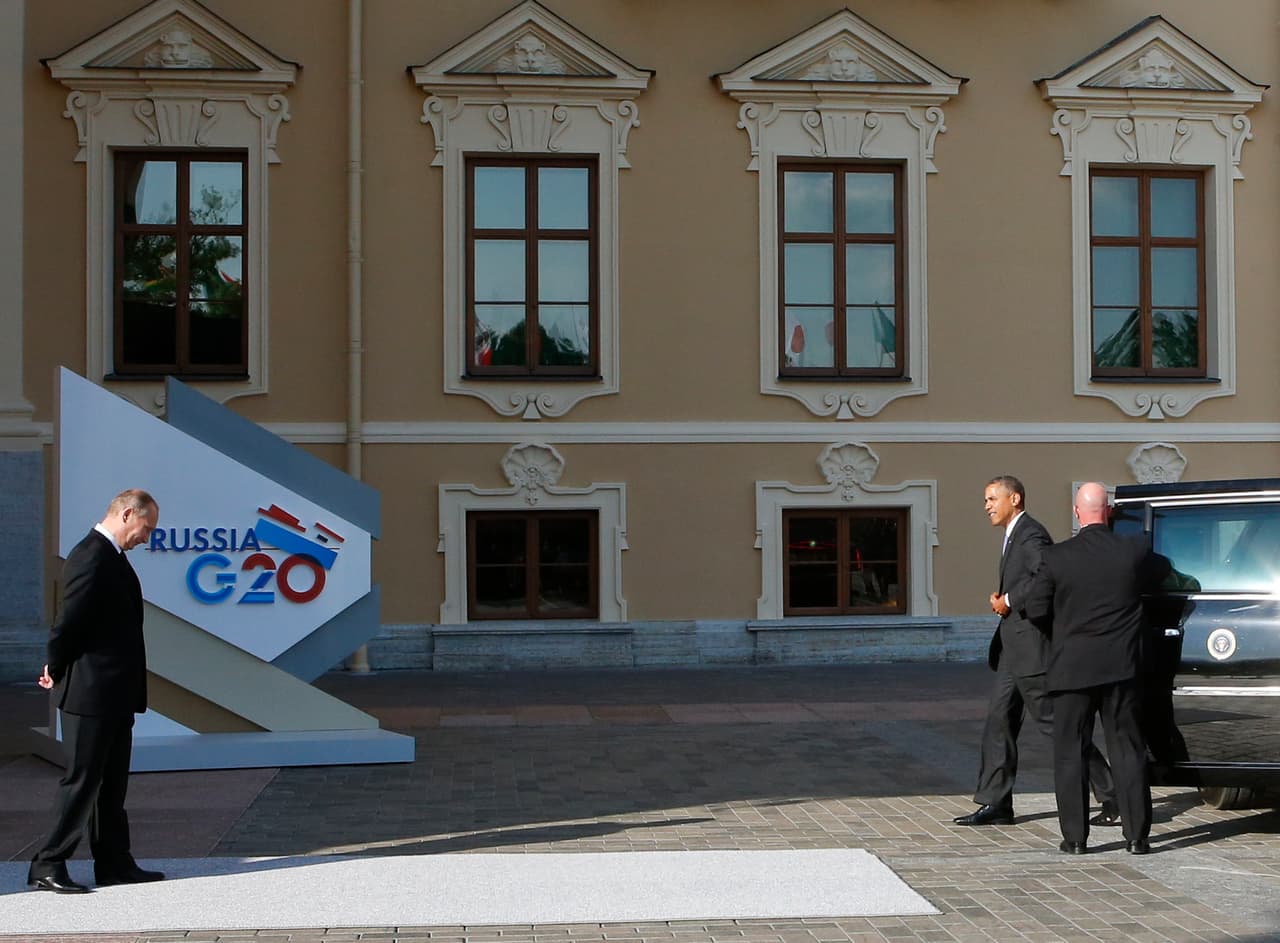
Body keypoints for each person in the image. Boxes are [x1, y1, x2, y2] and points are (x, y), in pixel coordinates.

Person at [954, 476, 1116, 827]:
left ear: (1014, 498)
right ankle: (996, 802)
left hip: (1031, 647)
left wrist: (1008, 600)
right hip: (1013, 649)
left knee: (1056, 726)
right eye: (985, 500)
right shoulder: (1014, 533)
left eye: (992, 498)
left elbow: (1046, 572)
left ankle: (1112, 794)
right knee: (999, 720)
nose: (987, 506)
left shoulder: (1031, 533)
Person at [27, 489, 165, 893]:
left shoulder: (113, 557)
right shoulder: (91, 554)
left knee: (111, 784)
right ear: (126, 515)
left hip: (113, 693)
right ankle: (48, 864)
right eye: (146, 527)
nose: (147, 536)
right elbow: (68, 621)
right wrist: (55, 665)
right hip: (89, 693)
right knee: (83, 781)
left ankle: (114, 863)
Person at [1023, 482, 1160, 855]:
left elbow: (1036, 610)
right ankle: (1137, 837)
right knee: (1128, 748)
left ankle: (1075, 839)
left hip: (1071, 667)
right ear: (1109, 511)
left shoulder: (1057, 558)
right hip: (1122, 667)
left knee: (1069, 751)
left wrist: (1064, 629)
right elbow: (1161, 581)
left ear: (1076, 511)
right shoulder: (1135, 549)